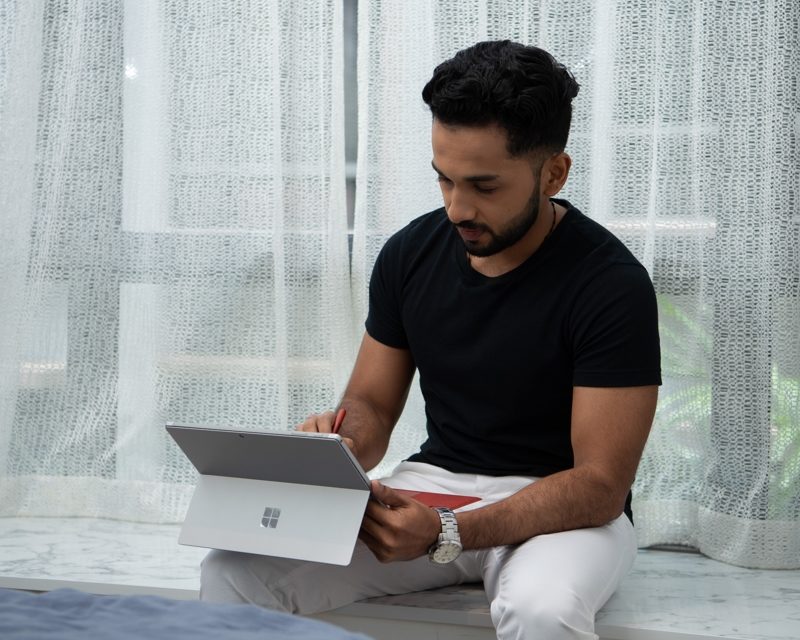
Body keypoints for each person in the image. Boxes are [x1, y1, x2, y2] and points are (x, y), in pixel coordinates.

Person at [200, 39, 660, 640]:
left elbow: (601, 486)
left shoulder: (611, 284)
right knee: (233, 571)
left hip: (561, 513)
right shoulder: (410, 254)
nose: (456, 207)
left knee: (542, 610)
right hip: (435, 486)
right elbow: (371, 406)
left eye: (484, 186)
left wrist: (450, 534)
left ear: (553, 171)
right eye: (444, 179)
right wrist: (339, 444)